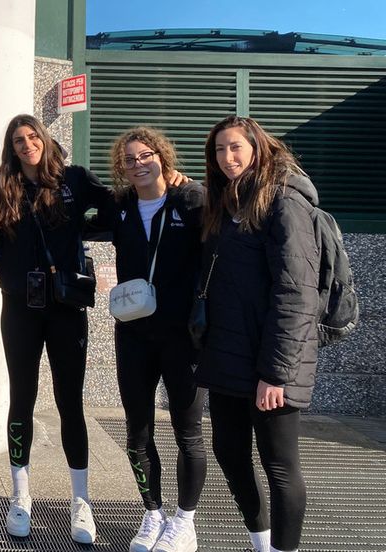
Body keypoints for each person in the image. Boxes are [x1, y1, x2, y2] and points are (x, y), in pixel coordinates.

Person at [195, 115, 318, 552]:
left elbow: (296, 294)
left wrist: (276, 374)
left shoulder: (284, 201)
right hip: (229, 354)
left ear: (257, 148)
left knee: (280, 467)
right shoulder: (227, 203)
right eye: (219, 149)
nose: (226, 157)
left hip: (271, 362)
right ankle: (261, 542)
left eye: (235, 147)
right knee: (229, 453)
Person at [0, 114, 109, 543]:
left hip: (65, 308)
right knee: (21, 398)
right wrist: (6, 275)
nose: (27, 144)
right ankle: (21, 496)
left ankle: (81, 502)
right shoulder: (2, 187)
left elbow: (116, 207)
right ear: (12, 147)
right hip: (20, 309)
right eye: (18, 140)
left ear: (45, 138)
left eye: (32, 136)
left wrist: (82, 229)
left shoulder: (74, 179)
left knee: (69, 402)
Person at [95, 127, 207, 552]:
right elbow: (77, 216)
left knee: (187, 432)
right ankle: (152, 513)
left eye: (146, 155)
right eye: (129, 159)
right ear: (121, 168)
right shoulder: (120, 206)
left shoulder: (189, 200)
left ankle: (185, 521)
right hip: (134, 333)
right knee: (137, 432)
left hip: (183, 336)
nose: (138, 164)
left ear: (163, 157)